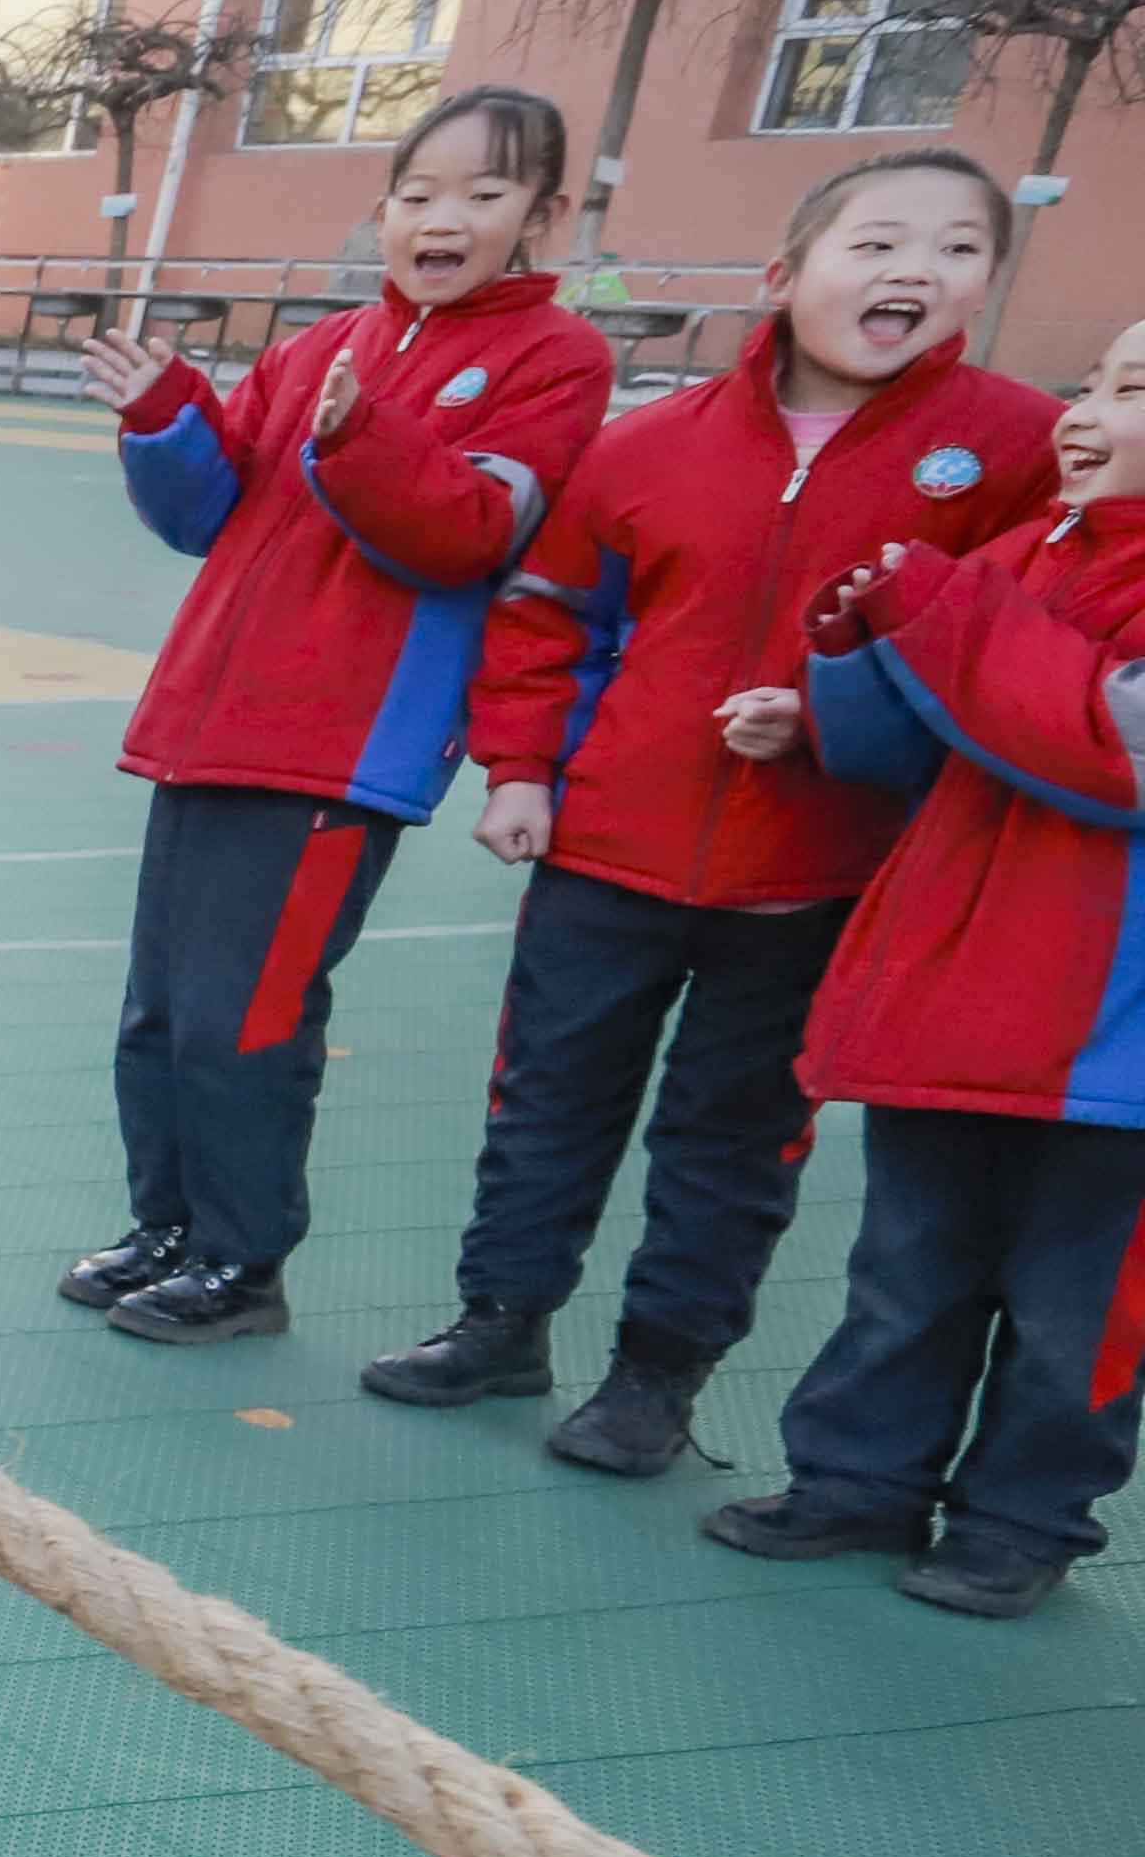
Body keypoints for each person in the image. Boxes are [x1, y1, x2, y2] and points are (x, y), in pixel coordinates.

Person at [383, 154, 1063, 1468]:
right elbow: (545, 619)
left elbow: (1013, 654)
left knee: (735, 1139)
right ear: (785, 276)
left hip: (819, 875)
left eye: (956, 249)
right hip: (606, 854)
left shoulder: (1016, 453)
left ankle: (658, 1379)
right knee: (549, 1099)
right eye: (874, 245)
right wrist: (523, 774)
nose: (913, 270)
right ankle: (500, 1321)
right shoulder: (651, 444)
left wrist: (834, 723)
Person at [64, 88, 612, 1342]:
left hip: (338, 748)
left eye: (483, 193)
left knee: (244, 1013)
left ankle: (242, 1262)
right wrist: (164, 415)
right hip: (209, 724)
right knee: (161, 1009)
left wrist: (367, 434)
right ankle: (169, 1223)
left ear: (546, 214)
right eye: (417, 194)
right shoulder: (321, 346)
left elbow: (471, 529)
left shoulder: (555, 360)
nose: (442, 218)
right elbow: (207, 513)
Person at [738, 310, 1145, 1615]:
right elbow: (925, 750)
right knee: (908, 1265)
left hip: (1113, 1047)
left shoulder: (1019, 580)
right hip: (958, 1007)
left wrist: (954, 616)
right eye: (1089, 378)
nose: (1081, 412)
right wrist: (851, 661)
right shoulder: (1029, 554)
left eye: (1130, 389)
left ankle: (1024, 1519)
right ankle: (858, 1481)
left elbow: (1109, 743)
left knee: (1078, 1307)